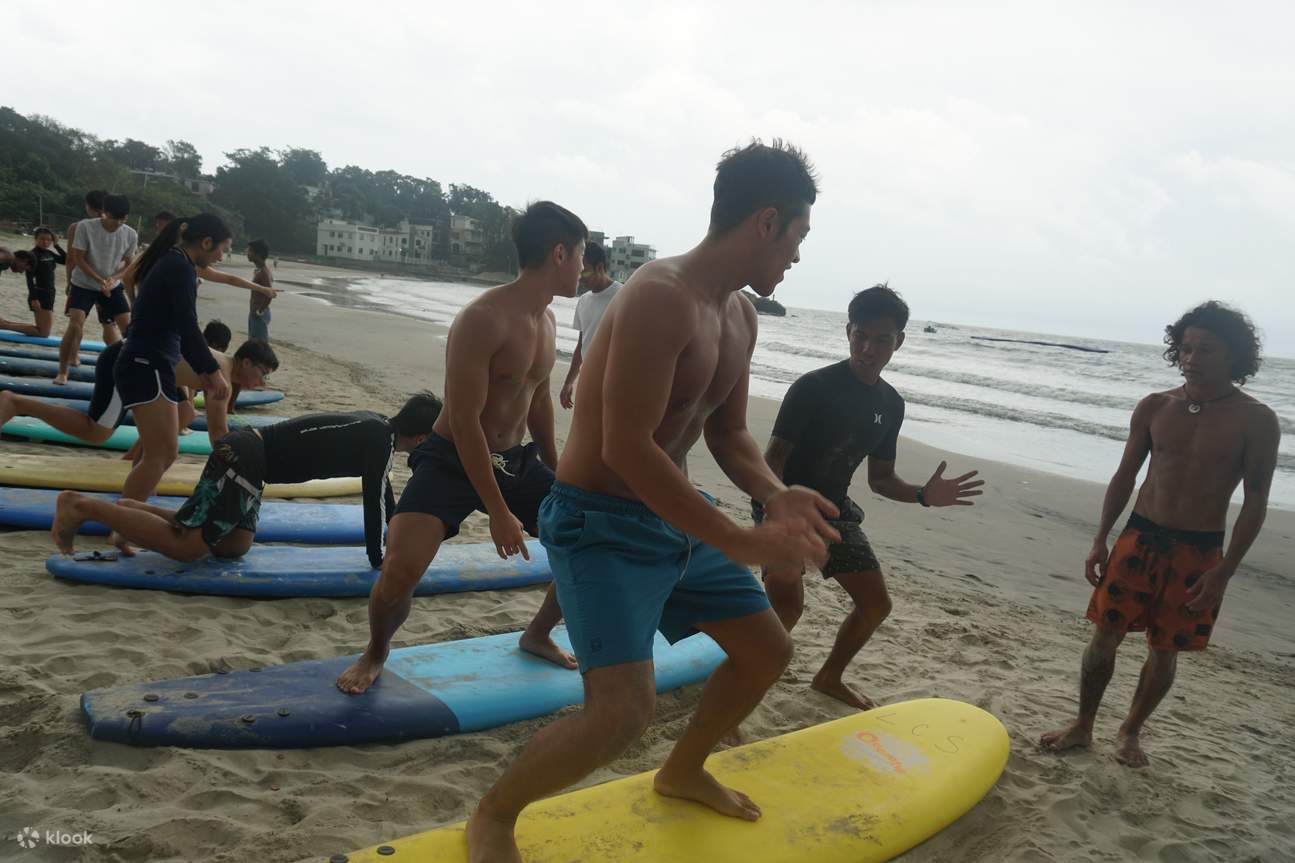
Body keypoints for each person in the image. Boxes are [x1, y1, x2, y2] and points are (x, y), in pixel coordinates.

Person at [466, 141, 840, 863]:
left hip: (672, 513)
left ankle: (684, 768)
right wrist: (737, 537)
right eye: (796, 236)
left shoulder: (739, 316)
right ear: (766, 221)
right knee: (622, 709)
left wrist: (771, 490)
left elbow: (727, 432)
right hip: (598, 520)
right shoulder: (658, 296)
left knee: (766, 649)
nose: (796, 255)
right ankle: (495, 814)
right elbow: (626, 448)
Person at [334, 201, 587, 696]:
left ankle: (536, 635)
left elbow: (537, 400)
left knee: (583, 545)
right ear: (560, 253)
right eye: (581, 255)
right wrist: (496, 510)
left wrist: (561, 475)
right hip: (452, 456)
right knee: (396, 575)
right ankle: (376, 651)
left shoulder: (550, 321)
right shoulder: (483, 318)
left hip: (513, 460)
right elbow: (466, 420)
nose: (584, 266)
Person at [1041, 301, 1280, 768]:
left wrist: (1226, 570)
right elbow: (1125, 476)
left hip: (1199, 550)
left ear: (1233, 356)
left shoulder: (1256, 420)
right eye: (1186, 347)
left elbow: (1255, 500)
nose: (1191, 357)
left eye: (1205, 349)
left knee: (1165, 649)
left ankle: (1129, 732)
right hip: (1140, 537)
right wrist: (1100, 538)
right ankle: (1083, 724)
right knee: (1104, 636)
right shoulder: (1156, 406)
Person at [757, 284, 983, 710]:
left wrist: (922, 495)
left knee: (876, 604)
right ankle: (742, 684)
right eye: (861, 335)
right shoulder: (813, 387)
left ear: (899, 341)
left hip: (836, 512)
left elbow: (881, 479)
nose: (868, 348)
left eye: (881, 339)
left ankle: (829, 677)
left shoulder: (891, 404)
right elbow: (774, 459)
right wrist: (778, 517)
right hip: (784, 503)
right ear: (847, 332)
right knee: (786, 609)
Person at [51, 394, 442, 564]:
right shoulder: (380, 441)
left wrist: (396, 536)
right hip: (246, 456)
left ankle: (130, 514)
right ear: (422, 436)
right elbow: (373, 502)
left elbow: (384, 495)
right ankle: (82, 507)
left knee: (234, 545)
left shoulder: (378, 428)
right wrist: (380, 560)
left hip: (249, 460)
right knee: (190, 549)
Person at [55, 194, 137, 384]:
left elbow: (129, 263)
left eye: (122, 218)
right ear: (104, 213)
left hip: (112, 285)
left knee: (130, 329)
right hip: (83, 283)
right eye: (114, 217)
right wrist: (100, 280)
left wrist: (113, 279)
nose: (118, 222)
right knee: (75, 325)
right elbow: (78, 258)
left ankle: (128, 371)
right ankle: (62, 371)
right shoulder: (85, 226)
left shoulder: (130, 233)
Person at [124, 216, 275, 306]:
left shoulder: (160, 256)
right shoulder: (182, 266)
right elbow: (229, 279)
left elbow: (128, 277)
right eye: (222, 249)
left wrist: (134, 304)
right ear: (205, 243)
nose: (221, 257)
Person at [558, 240, 621, 409]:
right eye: (579, 273)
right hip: (588, 377)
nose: (580, 278)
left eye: (585, 273)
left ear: (599, 267)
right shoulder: (584, 301)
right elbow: (581, 345)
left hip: (615, 381)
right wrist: (569, 382)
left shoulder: (623, 296)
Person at [62, 190, 120, 350]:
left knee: (76, 323)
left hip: (83, 283)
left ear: (88, 206)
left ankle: (74, 357)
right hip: (108, 282)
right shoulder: (118, 228)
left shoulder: (78, 227)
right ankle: (113, 358)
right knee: (109, 324)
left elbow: (71, 259)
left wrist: (69, 283)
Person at [0, 228, 66, 337]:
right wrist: (34, 298)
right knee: (44, 332)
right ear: (35, 239)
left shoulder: (49, 253)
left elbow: (66, 260)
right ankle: (3, 325)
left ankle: (3, 324)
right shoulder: (29, 255)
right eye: (42, 239)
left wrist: (57, 245)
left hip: (50, 293)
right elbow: (29, 280)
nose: (45, 242)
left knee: (43, 331)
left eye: (49, 240)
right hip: (40, 293)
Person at [246, 239, 273, 342]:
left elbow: (270, 294)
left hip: (259, 314)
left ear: (258, 254)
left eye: (250, 251)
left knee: (259, 345)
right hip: (255, 312)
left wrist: (260, 310)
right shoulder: (258, 270)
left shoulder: (264, 273)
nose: (247, 253)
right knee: (252, 342)